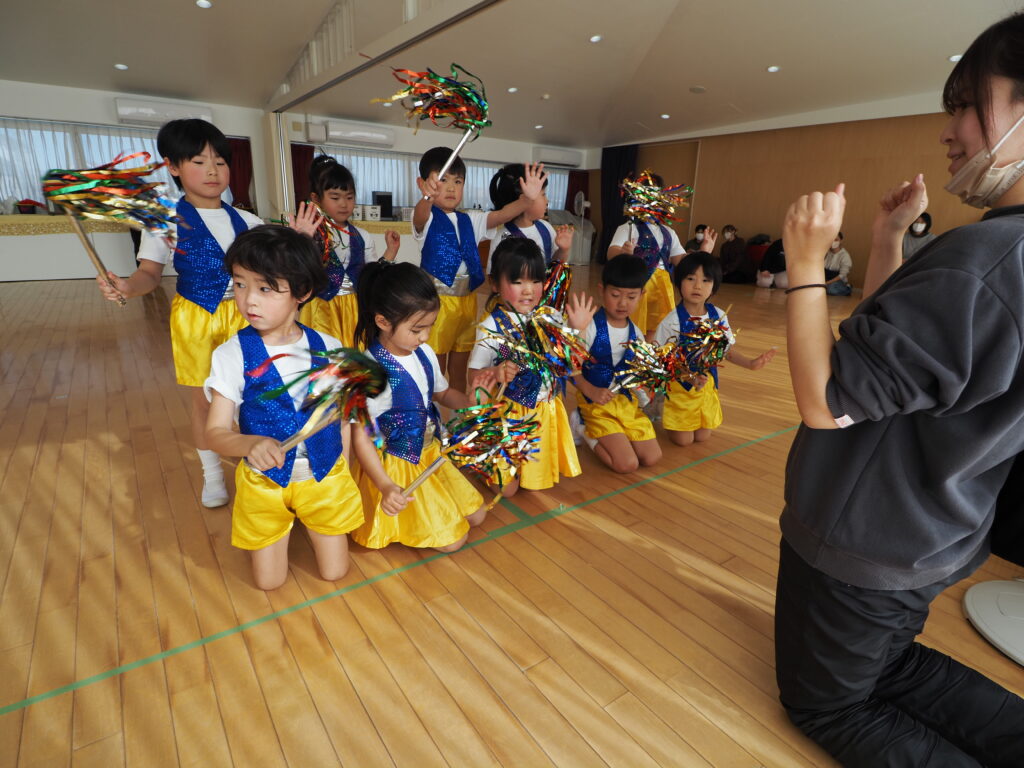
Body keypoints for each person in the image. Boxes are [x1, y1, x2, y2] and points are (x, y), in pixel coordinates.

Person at [777, 12, 1024, 765]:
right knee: (890, 664)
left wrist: (805, 262)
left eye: (969, 105)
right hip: (933, 525)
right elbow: (889, 361)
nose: (949, 130)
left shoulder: (981, 262)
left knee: (831, 704)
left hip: (868, 534)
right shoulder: (996, 256)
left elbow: (828, 400)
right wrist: (887, 240)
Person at [95, 119, 305, 509]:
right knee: (206, 402)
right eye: (199, 161)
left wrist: (299, 241)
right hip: (197, 320)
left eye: (220, 162)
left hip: (248, 317)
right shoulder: (165, 221)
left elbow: (278, 269)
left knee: (255, 396)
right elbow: (149, 275)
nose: (213, 171)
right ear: (173, 166)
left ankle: (257, 461)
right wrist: (125, 286)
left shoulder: (249, 221)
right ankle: (212, 473)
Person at [204, 226, 363, 590]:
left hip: (322, 477)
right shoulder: (230, 355)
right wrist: (249, 444)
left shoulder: (330, 346)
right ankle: (286, 524)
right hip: (265, 483)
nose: (249, 300)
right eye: (240, 284)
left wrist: (344, 471)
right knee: (269, 582)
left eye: (265, 288)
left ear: (301, 292)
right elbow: (214, 433)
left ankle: (310, 519)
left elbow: (341, 421)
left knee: (335, 572)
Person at [349, 261, 493, 552]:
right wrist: (386, 485)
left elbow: (443, 394)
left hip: (430, 454)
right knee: (455, 542)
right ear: (383, 322)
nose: (426, 336)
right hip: (398, 466)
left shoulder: (423, 352)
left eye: (430, 327)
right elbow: (361, 437)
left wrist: (471, 402)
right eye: (417, 329)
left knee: (478, 516)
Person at [412, 148, 546, 395]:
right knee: (435, 369)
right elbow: (420, 215)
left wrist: (527, 200)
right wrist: (427, 197)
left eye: (458, 181)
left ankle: (458, 414)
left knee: (459, 368)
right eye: (443, 180)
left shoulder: (470, 220)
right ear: (423, 183)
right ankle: (434, 412)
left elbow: (502, 214)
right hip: (437, 304)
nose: (451, 188)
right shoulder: (426, 216)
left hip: (467, 302)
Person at [467, 238, 592, 496]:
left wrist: (578, 331)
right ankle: (481, 452)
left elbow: (570, 365)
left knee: (530, 483)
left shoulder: (550, 317)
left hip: (545, 411)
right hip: (509, 416)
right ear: (494, 284)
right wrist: (496, 373)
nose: (528, 290)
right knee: (507, 490)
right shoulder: (492, 327)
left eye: (535, 281)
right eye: (517, 281)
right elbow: (472, 376)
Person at [653, 252, 775, 446]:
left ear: (714, 286)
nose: (697, 286)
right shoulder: (672, 321)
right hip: (680, 386)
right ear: (679, 282)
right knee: (684, 441)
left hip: (707, 385)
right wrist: (689, 377)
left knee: (702, 436)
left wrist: (751, 364)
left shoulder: (718, 315)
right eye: (690, 279)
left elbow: (725, 350)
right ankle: (660, 404)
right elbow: (662, 360)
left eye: (705, 280)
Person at [299, 155, 400, 346]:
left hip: (355, 311)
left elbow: (371, 275)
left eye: (349, 197)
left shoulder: (362, 236)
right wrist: (303, 239)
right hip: (322, 310)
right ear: (316, 199)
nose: (344, 204)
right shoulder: (310, 234)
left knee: (356, 356)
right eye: (335, 197)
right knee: (325, 356)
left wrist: (390, 252)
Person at [573, 255, 662, 473]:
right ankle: (581, 427)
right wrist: (590, 390)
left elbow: (637, 374)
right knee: (626, 464)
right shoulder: (590, 327)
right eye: (615, 295)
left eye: (631, 296)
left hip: (625, 404)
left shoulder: (636, 333)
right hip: (595, 404)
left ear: (642, 295)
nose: (623, 303)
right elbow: (567, 366)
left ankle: (617, 435)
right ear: (602, 290)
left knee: (652, 457)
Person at [606, 174, 689, 333]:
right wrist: (622, 253)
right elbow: (611, 252)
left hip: (664, 287)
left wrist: (702, 252)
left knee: (661, 326)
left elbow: (680, 259)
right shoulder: (629, 227)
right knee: (636, 322)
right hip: (638, 284)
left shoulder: (668, 232)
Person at [489, 163, 574, 265]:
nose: (547, 201)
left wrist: (563, 250)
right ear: (524, 199)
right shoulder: (503, 237)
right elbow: (494, 274)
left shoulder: (546, 227)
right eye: (543, 194)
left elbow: (553, 266)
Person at [823, 231, 853, 295]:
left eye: (836, 240)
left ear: (841, 241)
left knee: (830, 289)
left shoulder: (844, 256)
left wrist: (826, 283)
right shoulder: (827, 253)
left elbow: (842, 275)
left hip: (838, 280)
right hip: (826, 277)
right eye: (831, 240)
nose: (833, 242)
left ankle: (847, 289)